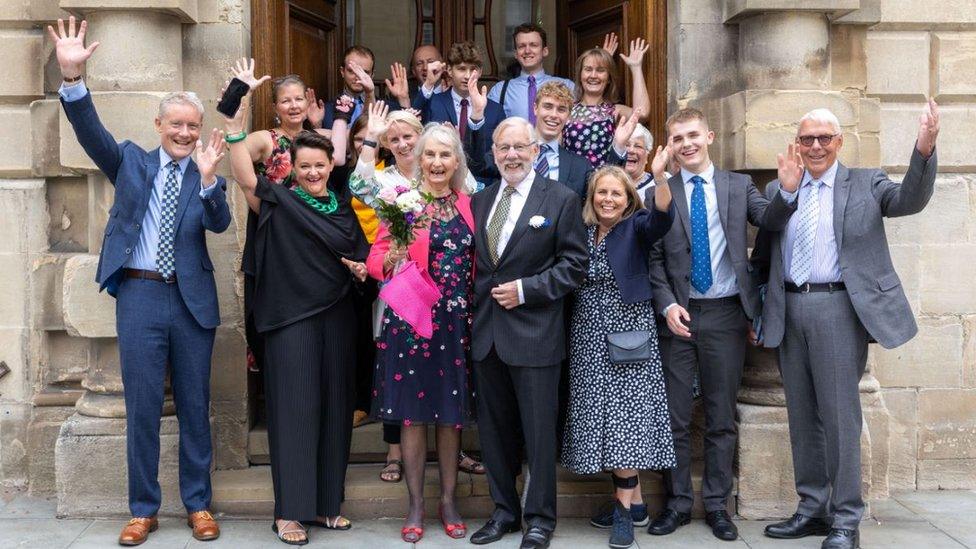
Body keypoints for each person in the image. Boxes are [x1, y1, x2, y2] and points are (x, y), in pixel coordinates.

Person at [48, 16, 231, 546]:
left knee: (196, 405)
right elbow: (91, 134)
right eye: (175, 124)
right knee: (143, 406)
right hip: (141, 294)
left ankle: (198, 504)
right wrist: (72, 79)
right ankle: (143, 508)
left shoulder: (203, 175)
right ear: (159, 125)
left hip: (191, 299)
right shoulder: (130, 162)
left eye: (192, 126)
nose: (184, 133)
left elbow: (218, 224)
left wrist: (211, 181)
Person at [758, 104, 939, 549]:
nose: (815, 146)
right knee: (801, 417)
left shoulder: (865, 182)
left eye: (824, 138)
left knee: (840, 417)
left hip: (838, 307)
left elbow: (909, 200)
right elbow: (763, 245)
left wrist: (925, 148)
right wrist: (784, 193)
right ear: (796, 145)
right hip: (789, 307)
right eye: (807, 139)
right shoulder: (780, 185)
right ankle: (812, 509)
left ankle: (845, 519)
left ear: (839, 142)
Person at [646, 107, 798, 542]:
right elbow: (654, 257)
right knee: (673, 416)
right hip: (680, 314)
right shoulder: (663, 191)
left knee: (719, 415)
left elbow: (768, 221)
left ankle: (716, 505)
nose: (686, 144)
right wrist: (667, 305)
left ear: (709, 136)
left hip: (727, 313)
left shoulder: (737, 186)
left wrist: (786, 193)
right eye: (677, 139)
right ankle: (675, 504)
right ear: (670, 146)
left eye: (693, 135)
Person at [225, 92, 369, 545]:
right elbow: (246, 177)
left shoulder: (344, 208)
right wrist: (236, 125)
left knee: (334, 411)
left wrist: (363, 268)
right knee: (294, 413)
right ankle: (289, 511)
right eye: (304, 165)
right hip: (291, 321)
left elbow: (364, 258)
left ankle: (328, 505)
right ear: (293, 167)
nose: (312, 172)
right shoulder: (279, 200)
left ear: (331, 167)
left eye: (320, 165)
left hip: (339, 320)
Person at [469, 117, 588, 549]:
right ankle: (503, 513)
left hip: (536, 333)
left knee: (538, 435)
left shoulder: (561, 199)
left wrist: (526, 290)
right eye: (504, 148)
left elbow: (575, 266)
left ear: (537, 151)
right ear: (494, 153)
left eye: (521, 147)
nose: (512, 155)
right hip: (486, 337)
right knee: (494, 434)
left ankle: (539, 518)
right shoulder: (480, 201)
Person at [368, 124, 477, 543]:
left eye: (444, 155)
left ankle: (449, 501)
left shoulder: (472, 206)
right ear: (419, 159)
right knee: (412, 416)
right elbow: (376, 260)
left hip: (456, 324)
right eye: (429, 154)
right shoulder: (403, 205)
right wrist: (390, 258)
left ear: (456, 162)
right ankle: (416, 505)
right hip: (411, 321)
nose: (436, 162)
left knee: (450, 419)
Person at [562, 164, 675, 549]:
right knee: (605, 423)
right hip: (587, 337)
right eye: (602, 192)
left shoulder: (637, 225)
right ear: (592, 197)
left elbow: (661, 220)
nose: (608, 199)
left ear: (628, 199)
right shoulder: (585, 231)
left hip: (627, 337)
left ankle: (624, 513)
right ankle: (637, 504)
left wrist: (659, 179)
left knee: (625, 424)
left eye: (616, 193)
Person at [469, 81, 631, 199]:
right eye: (548, 106)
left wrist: (618, 147)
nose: (554, 115)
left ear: (568, 116)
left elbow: (605, 189)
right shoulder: (511, 152)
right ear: (535, 108)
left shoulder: (579, 167)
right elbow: (477, 166)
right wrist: (477, 116)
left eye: (561, 109)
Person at [412, 41, 505, 188]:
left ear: (480, 72)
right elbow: (412, 123)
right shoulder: (434, 103)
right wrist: (429, 83)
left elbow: (500, 157)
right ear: (449, 70)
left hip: (482, 189)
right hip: (440, 186)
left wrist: (468, 162)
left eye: (473, 69)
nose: (467, 76)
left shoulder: (495, 110)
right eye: (461, 69)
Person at [563, 39, 650, 169]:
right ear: (580, 75)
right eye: (588, 69)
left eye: (600, 70)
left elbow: (642, 112)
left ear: (608, 78)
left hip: (606, 184)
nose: (593, 75)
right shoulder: (566, 110)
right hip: (572, 185)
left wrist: (636, 68)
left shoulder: (614, 110)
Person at [487, 23, 574, 122]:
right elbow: (490, 129)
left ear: (545, 51)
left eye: (533, 45)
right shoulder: (499, 91)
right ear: (516, 53)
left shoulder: (567, 86)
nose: (527, 51)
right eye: (521, 46)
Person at [321, 45, 380, 129]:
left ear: (372, 75)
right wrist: (316, 124)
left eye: (365, 72)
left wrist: (403, 98)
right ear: (342, 72)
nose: (358, 77)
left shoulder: (388, 108)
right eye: (352, 71)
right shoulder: (325, 110)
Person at [623, 123, 655, 193]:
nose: (631, 150)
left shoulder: (660, 182)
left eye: (638, 146)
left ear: (647, 156)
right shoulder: (605, 182)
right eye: (626, 145)